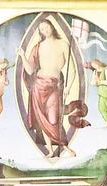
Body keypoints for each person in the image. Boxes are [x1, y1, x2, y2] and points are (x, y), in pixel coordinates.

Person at [17, 19, 77, 158]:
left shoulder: (63, 44)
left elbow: (73, 70)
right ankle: (50, 150)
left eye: (46, 26)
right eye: (42, 29)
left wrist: (68, 87)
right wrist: (22, 56)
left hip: (54, 86)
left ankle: (65, 147)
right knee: (42, 119)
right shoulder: (38, 47)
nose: (45, 30)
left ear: (52, 26)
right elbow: (30, 70)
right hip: (38, 85)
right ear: (40, 32)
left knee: (53, 119)